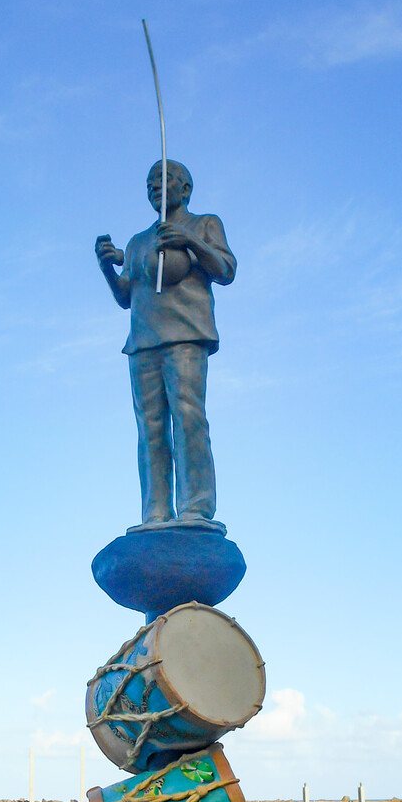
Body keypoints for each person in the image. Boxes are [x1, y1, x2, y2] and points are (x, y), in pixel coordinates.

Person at [95, 160, 236, 530]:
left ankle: (196, 507)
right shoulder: (138, 241)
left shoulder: (204, 224)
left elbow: (226, 270)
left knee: (188, 418)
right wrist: (107, 267)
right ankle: (155, 511)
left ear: (185, 188)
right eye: (149, 184)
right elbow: (127, 297)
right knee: (150, 428)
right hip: (143, 342)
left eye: (164, 181)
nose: (155, 188)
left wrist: (190, 241)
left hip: (185, 336)